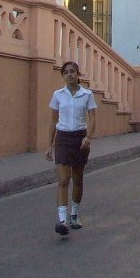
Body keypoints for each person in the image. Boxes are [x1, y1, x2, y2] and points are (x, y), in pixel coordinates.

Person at [46, 61, 96, 237]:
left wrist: (88, 137)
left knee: (78, 179)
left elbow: (92, 118)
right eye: (66, 72)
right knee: (63, 180)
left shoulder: (87, 95)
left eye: (72, 71)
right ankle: (62, 220)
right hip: (63, 138)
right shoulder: (57, 95)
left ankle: (74, 214)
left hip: (80, 138)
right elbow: (53, 121)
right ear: (63, 76)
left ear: (78, 73)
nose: (69, 75)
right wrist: (49, 145)